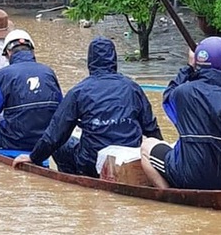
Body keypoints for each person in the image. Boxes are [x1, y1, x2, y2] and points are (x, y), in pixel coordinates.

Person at [13, 36, 163, 177]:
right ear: (114, 59)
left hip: (91, 162)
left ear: (90, 61)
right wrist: (163, 160)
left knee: (62, 146)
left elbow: (55, 134)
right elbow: (151, 128)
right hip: (128, 159)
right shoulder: (133, 88)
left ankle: (73, 181)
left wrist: (33, 157)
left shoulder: (79, 91)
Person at [140, 36, 221, 190]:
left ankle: (168, 193)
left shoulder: (181, 94)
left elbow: (168, 97)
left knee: (146, 147)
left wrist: (189, 68)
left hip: (187, 175)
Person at [0, 29, 63, 151]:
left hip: (14, 140)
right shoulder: (48, 72)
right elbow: (61, 109)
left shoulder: (5, 75)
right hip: (46, 139)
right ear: (32, 51)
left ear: (9, 53)